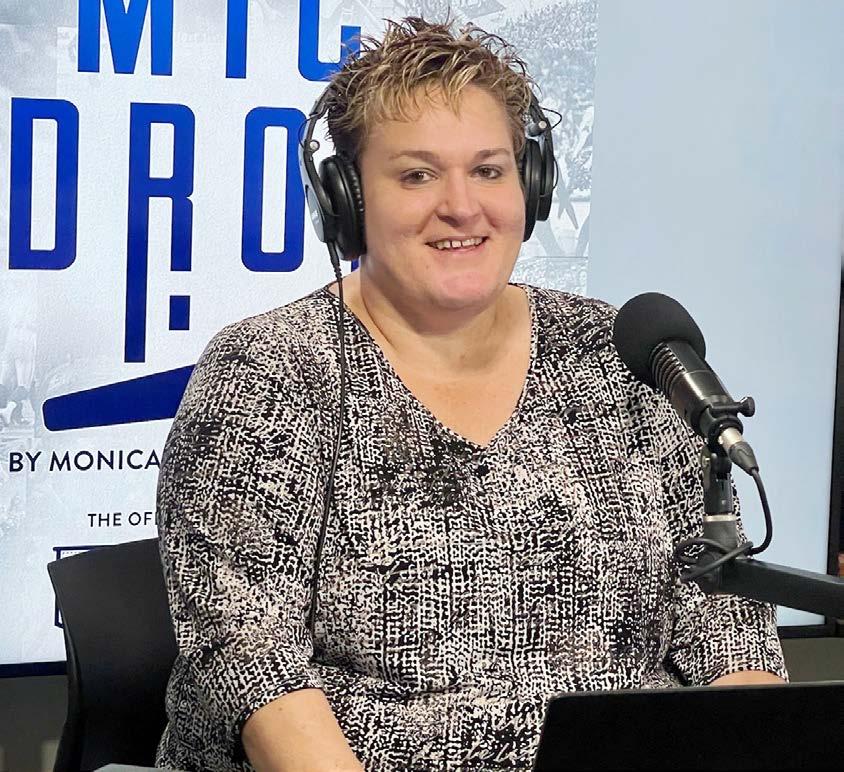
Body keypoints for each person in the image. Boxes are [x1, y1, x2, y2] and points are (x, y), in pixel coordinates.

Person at [155, 17, 787, 772]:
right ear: (346, 199)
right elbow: (250, 667)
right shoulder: (268, 371)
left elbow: (728, 636)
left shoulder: (620, 353)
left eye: (489, 170)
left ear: (532, 185)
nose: (462, 206)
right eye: (417, 175)